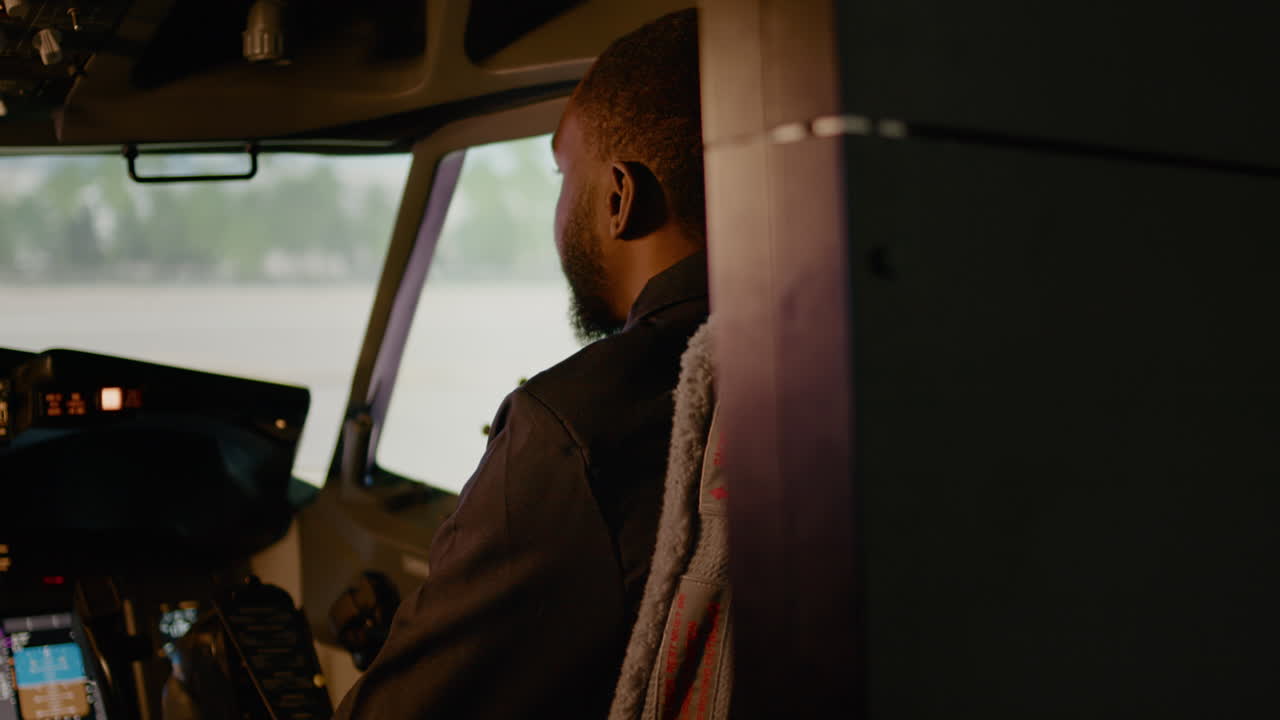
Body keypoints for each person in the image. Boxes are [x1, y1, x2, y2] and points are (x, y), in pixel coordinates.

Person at [333, 9, 707, 718]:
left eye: (564, 175)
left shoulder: (574, 431)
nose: (558, 210)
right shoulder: (829, 361)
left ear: (620, 198)